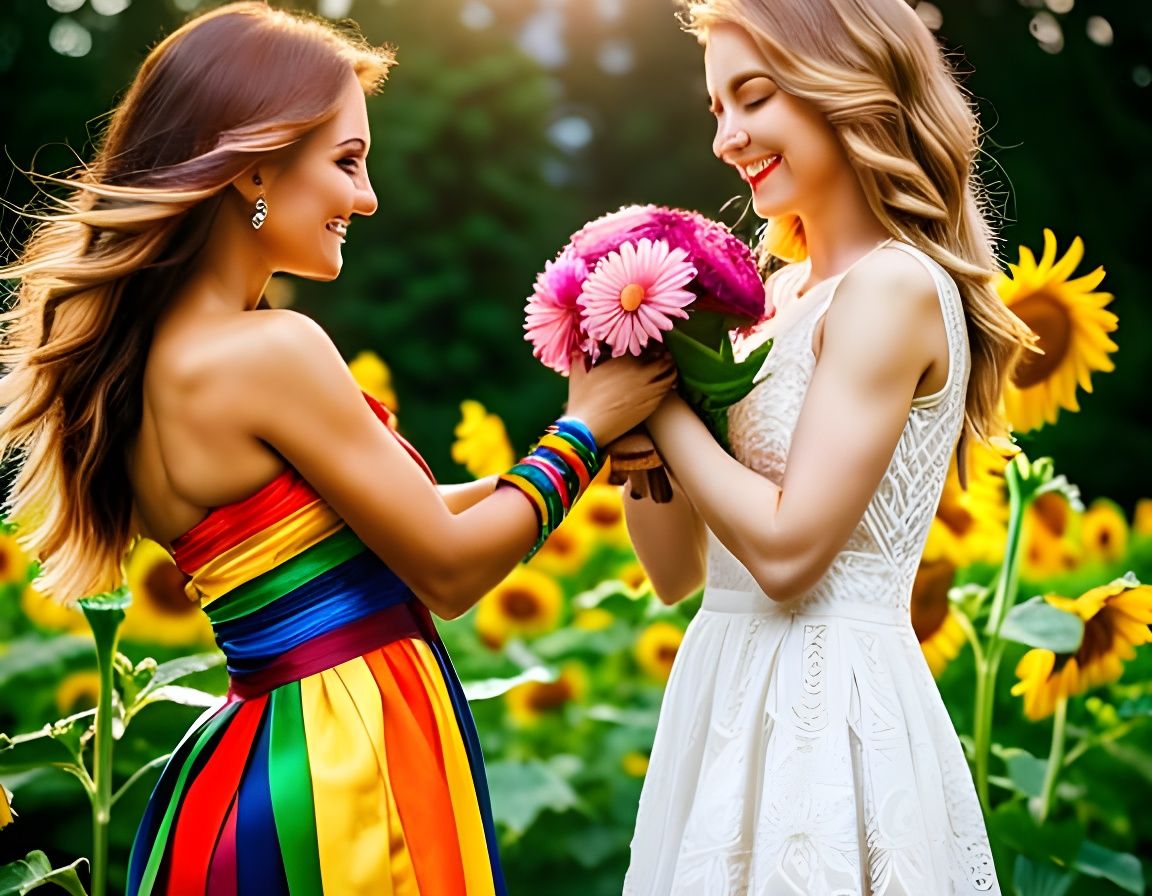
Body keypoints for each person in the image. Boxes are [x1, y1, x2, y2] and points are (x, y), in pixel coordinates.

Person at [0, 4, 673, 893]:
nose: (366, 196)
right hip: (344, 763)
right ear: (254, 168)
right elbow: (450, 571)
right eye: (347, 162)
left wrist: (571, 458)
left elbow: (397, 523)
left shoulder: (145, 366)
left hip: (242, 764)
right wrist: (583, 428)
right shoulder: (272, 351)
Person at [621, 0, 1034, 893]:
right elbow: (676, 573)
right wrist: (635, 422)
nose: (729, 136)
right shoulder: (770, 299)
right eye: (715, 110)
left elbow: (787, 552)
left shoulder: (892, 287)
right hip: (725, 695)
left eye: (754, 96)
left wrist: (658, 412)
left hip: (828, 708)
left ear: (845, 84)